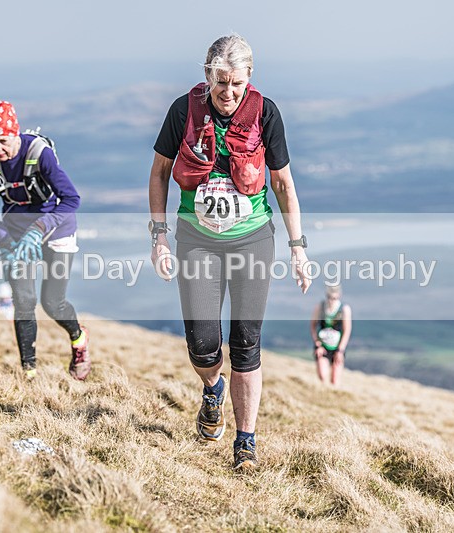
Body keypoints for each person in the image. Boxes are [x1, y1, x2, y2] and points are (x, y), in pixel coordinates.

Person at [148, 35, 311, 471]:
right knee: (203, 346)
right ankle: (211, 388)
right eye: (221, 82)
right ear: (207, 76)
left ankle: (246, 442)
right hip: (197, 239)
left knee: (246, 344)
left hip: (252, 239)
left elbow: (283, 184)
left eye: (237, 83)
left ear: (249, 78)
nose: (229, 92)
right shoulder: (183, 111)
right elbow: (160, 173)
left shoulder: (267, 113)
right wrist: (159, 236)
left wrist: (298, 249)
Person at [0, 100, 90, 381]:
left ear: (15, 134)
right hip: (15, 233)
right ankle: (29, 373)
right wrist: (3, 239)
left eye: (2, 141)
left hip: (57, 228)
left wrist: (39, 228)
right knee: (23, 300)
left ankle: (78, 340)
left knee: (52, 303)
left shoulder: (40, 154)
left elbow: (71, 199)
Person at [310, 284, 352, 388]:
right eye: (329, 297)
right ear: (326, 295)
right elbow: (313, 325)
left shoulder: (344, 309)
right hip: (323, 346)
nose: (331, 300)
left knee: (334, 380)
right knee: (322, 376)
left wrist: (340, 350)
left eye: (334, 298)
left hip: (337, 348)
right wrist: (317, 343)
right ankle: (324, 397)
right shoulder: (320, 307)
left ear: (339, 296)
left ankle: (334, 400)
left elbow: (347, 330)